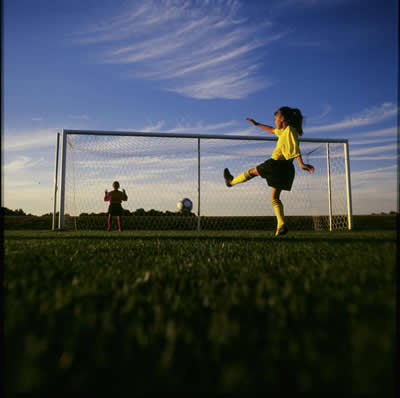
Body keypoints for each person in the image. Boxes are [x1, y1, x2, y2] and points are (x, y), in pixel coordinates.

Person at [224, 106, 314, 236]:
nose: (274, 122)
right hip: (287, 170)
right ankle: (281, 225)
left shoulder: (290, 130)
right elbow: (272, 130)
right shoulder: (283, 131)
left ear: (282, 119)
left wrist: (301, 163)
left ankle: (231, 182)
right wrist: (257, 124)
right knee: (275, 197)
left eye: (275, 119)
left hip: (275, 165)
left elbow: (295, 147)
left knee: (251, 172)